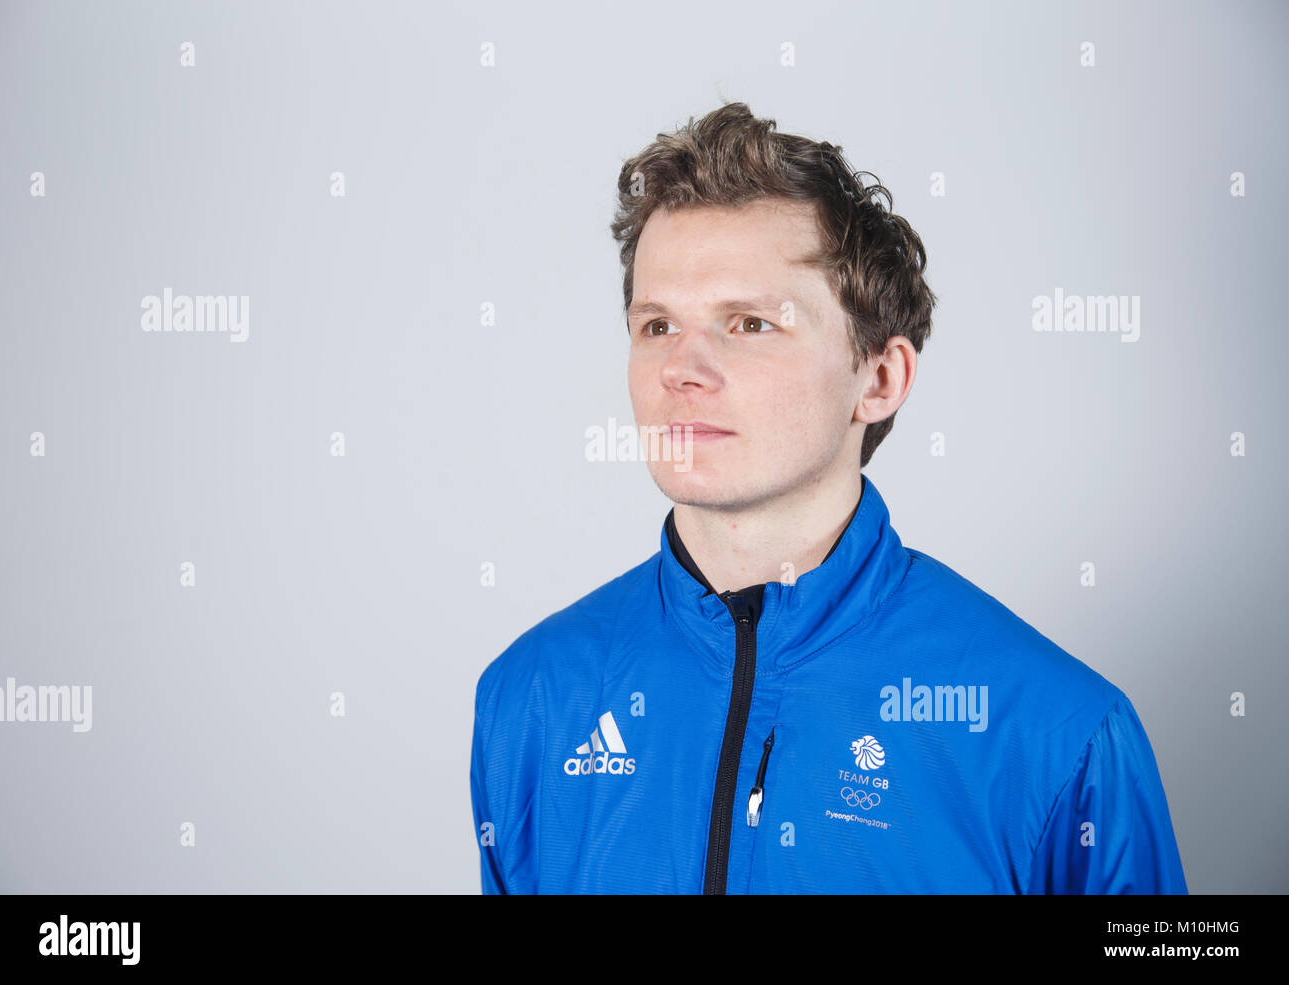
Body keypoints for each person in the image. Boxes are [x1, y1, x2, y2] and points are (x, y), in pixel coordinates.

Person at [468, 101, 1188, 894]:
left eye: (748, 323)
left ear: (879, 378)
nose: (683, 369)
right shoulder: (530, 698)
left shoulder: (1058, 731)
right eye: (658, 326)